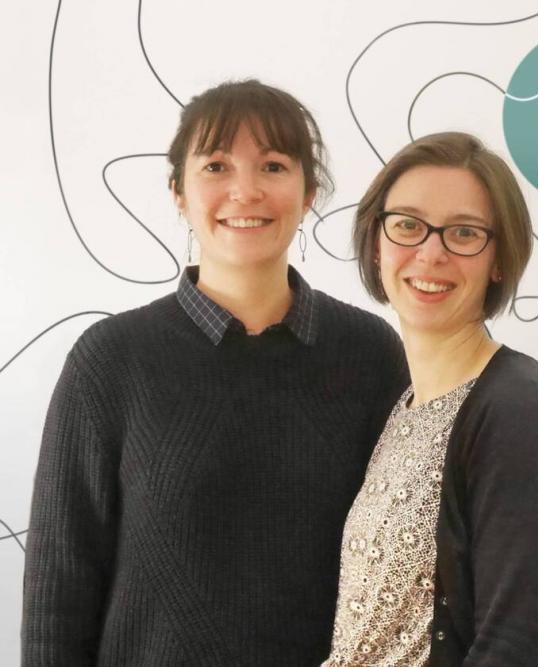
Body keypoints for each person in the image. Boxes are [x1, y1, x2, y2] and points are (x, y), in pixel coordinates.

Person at [22, 80, 407, 665]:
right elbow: (59, 590)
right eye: (216, 166)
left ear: (308, 193)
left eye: (273, 166)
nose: (245, 191)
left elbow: (402, 568)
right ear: (178, 192)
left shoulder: (371, 354)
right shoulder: (110, 360)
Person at [322, 132, 538, 666]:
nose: (430, 253)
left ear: (499, 260)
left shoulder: (518, 410)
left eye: (464, 233)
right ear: (376, 242)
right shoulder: (404, 404)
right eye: (407, 225)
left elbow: (516, 646)